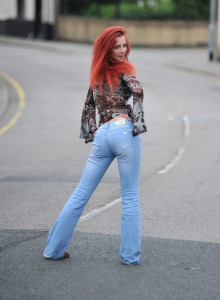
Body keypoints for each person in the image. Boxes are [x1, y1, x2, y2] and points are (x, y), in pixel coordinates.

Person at [43, 26, 147, 265]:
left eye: (124, 45)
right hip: (123, 130)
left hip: (103, 134)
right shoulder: (126, 69)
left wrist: (90, 130)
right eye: (117, 46)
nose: (122, 50)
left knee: (80, 194)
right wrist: (137, 120)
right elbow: (138, 91)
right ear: (107, 49)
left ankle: (53, 250)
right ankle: (130, 257)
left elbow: (89, 105)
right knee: (130, 196)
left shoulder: (97, 73)